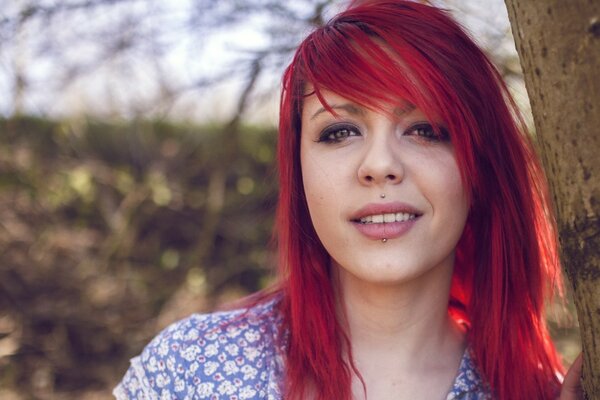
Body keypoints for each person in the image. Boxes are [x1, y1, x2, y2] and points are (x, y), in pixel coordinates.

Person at [114, 1, 584, 399]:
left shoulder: (540, 391)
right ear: (298, 170)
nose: (379, 165)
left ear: (479, 167)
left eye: (425, 129)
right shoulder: (190, 372)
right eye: (339, 131)